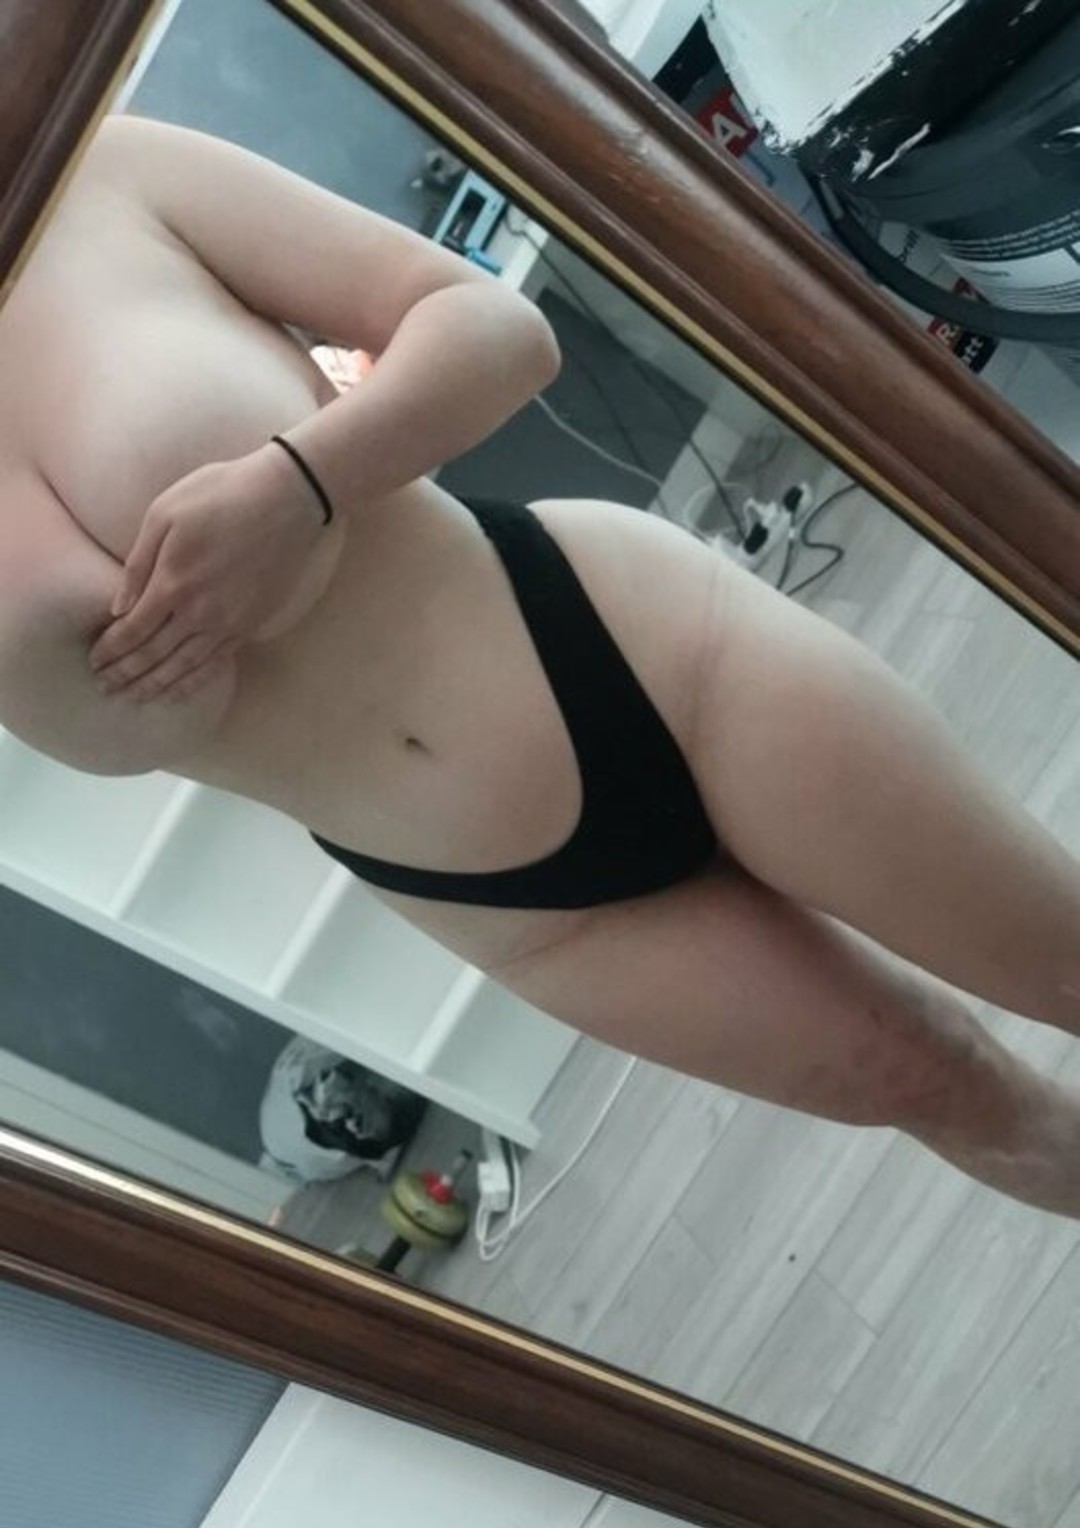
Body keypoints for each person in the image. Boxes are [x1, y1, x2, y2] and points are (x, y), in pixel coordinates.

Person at [2, 114, 1079, 1217]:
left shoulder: (102, 170)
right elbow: (121, 733)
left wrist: (301, 482)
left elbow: (499, 331)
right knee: (940, 1084)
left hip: (624, 646)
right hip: (496, 893)